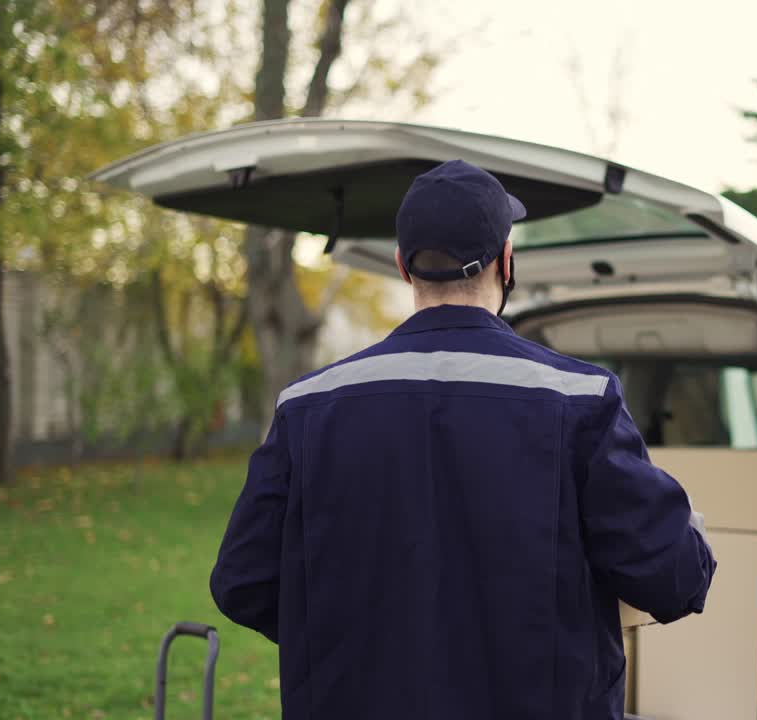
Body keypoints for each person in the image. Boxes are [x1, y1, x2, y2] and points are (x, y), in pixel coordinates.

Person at [210, 159, 716, 719]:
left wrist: (357, 643)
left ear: (404, 266)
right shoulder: (579, 399)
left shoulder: (306, 406)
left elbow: (243, 582)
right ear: (506, 260)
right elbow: (675, 577)